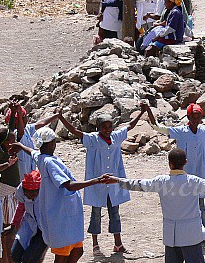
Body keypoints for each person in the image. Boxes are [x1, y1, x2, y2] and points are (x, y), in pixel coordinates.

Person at [10, 128, 107, 263]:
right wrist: (96, 181)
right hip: (61, 218)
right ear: (52, 143)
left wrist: (20, 146)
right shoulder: (50, 163)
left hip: (68, 218)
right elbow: (68, 185)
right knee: (61, 257)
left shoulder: (41, 157)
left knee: (77, 252)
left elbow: (32, 152)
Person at [57, 103, 148, 255]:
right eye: (104, 127)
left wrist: (141, 112)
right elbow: (75, 131)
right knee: (96, 213)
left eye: (109, 126)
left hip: (112, 182)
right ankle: (95, 245)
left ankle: (118, 244)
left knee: (115, 212)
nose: (107, 130)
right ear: (98, 128)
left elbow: (130, 126)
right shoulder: (92, 140)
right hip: (96, 182)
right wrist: (61, 118)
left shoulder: (116, 137)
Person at [145, 102, 205, 243]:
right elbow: (159, 128)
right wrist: (149, 111)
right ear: (188, 117)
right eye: (193, 117)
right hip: (184, 175)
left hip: (200, 173)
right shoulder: (180, 131)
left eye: (198, 117)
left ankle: (203, 235)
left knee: (200, 205)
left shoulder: (203, 131)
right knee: (186, 205)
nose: (196, 119)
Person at [7, 170, 48, 263]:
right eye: (27, 193)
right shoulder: (21, 191)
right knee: (15, 254)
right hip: (29, 223)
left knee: (29, 257)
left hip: (44, 227)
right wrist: (14, 226)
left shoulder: (47, 194)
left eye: (33, 193)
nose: (30, 195)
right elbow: (21, 207)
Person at [6, 102, 60, 180]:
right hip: (21, 176)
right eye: (24, 117)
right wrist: (19, 113)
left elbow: (41, 123)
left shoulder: (27, 129)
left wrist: (56, 115)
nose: (26, 119)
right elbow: (20, 132)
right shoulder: (15, 134)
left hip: (29, 173)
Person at [0, 126, 20, 263]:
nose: (14, 143)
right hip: (6, 195)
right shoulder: (3, 156)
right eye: (11, 141)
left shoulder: (11, 153)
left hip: (13, 194)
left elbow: (12, 128)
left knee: (9, 234)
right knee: (6, 235)